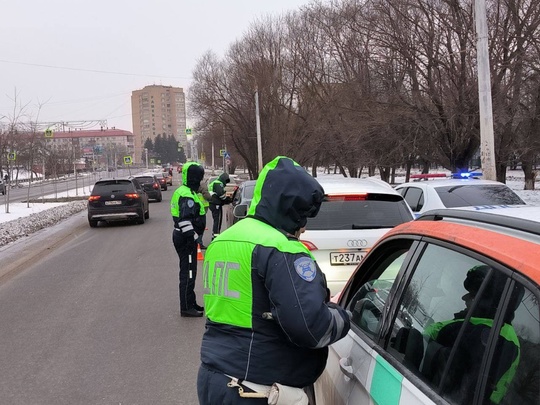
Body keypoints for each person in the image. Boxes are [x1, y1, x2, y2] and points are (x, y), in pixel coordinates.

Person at [197, 156, 351, 404]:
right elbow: (310, 328)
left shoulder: (223, 240)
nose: (304, 228)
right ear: (295, 211)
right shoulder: (281, 248)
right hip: (257, 389)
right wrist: (343, 317)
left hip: (214, 378)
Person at [423, 265, 522, 404]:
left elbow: (429, 341)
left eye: (473, 294)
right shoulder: (494, 328)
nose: (464, 297)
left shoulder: (487, 335)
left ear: (486, 302)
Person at [170, 161, 206, 318]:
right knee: (188, 273)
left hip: (184, 237)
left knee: (191, 271)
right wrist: (193, 238)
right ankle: (186, 307)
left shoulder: (187, 191)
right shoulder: (186, 195)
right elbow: (185, 220)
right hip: (186, 239)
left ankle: (191, 302)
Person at [208, 172, 232, 240]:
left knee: (216, 220)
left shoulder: (215, 182)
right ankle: (216, 236)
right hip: (216, 204)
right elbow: (221, 194)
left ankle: (214, 235)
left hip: (213, 203)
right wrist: (227, 199)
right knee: (217, 221)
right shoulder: (219, 183)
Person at [196, 183, 211, 249]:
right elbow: (206, 196)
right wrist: (210, 197)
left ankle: (196, 242)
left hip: (195, 208)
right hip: (202, 208)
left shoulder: (192, 185)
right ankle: (199, 243)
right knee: (201, 226)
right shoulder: (203, 185)